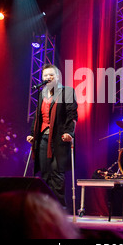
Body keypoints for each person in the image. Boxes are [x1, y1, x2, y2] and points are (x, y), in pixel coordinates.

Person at [26, 64, 78, 207]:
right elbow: (38, 117)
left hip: (59, 138)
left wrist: (69, 132)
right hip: (43, 138)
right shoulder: (42, 93)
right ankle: (45, 207)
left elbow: (72, 115)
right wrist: (32, 134)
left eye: (51, 75)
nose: (48, 77)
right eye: (45, 75)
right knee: (45, 172)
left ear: (58, 77)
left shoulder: (66, 92)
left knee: (57, 172)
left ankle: (59, 208)